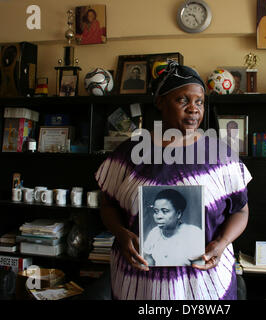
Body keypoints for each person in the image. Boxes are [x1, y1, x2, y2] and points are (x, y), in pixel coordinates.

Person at [95, 60, 252, 300]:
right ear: (160, 102)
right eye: (183, 100)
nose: (194, 109)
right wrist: (120, 233)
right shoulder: (129, 153)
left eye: (199, 102)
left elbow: (240, 211)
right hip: (140, 286)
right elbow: (107, 205)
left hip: (203, 286)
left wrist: (221, 243)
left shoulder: (220, 155)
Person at [143, 188, 203, 266]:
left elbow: (199, 267)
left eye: (165, 211)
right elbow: (148, 258)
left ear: (178, 214)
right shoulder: (154, 233)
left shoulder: (194, 233)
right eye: (156, 211)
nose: (158, 216)